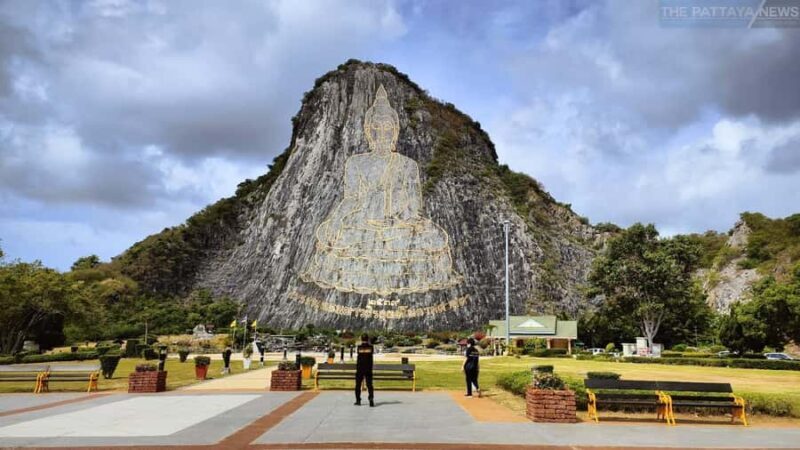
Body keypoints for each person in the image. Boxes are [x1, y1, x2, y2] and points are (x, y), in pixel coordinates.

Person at [355, 333, 375, 407]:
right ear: (367, 339)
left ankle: (358, 400)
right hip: (368, 368)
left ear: (361, 339)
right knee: (369, 385)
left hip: (360, 368)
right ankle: (371, 398)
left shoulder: (359, 347)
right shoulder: (371, 347)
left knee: (358, 385)